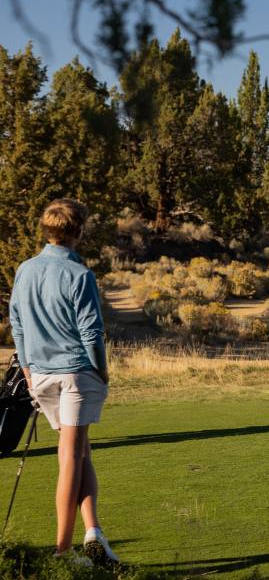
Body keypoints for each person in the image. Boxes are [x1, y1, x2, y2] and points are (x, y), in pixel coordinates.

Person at [8, 198, 118, 566]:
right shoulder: (80, 274)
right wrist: (101, 370)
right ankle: (62, 550)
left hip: (39, 373)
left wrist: (26, 369)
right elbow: (92, 332)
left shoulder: (25, 269)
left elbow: (18, 325)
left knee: (80, 449)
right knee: (71, 454)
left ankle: (93, 533)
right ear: (79, 231)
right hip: (75, 372)